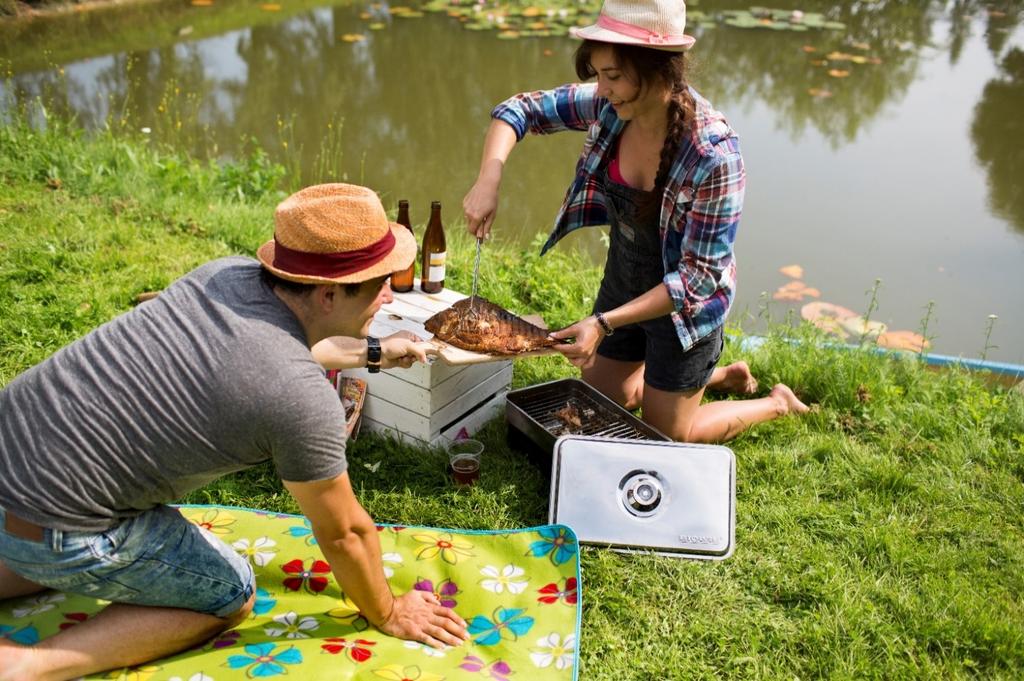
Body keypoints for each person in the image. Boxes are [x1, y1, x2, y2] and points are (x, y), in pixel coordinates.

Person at [0, 183, 469, 681]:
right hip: (62, 527)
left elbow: (267, 355)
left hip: (13, 458)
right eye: (377, 283)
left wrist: (373, 352)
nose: (388, 293)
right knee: (230, 592)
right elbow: (345, 534)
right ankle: (27, 665)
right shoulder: (300, 400)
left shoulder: (222, 276)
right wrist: (389, 611)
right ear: (329, 294)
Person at [463, 0, 809, 442]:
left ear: (661, 70)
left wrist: (604, 323)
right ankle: (715, 378)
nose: (602, 89)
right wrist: (489, 179)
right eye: (599, 75)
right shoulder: (611, 105)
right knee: (600, 406)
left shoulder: (715, 156)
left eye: (613, 76)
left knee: (665, 436)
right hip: (624, 285)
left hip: (685, 312)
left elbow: (698, 279)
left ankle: (774, 401)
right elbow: (518, 110)